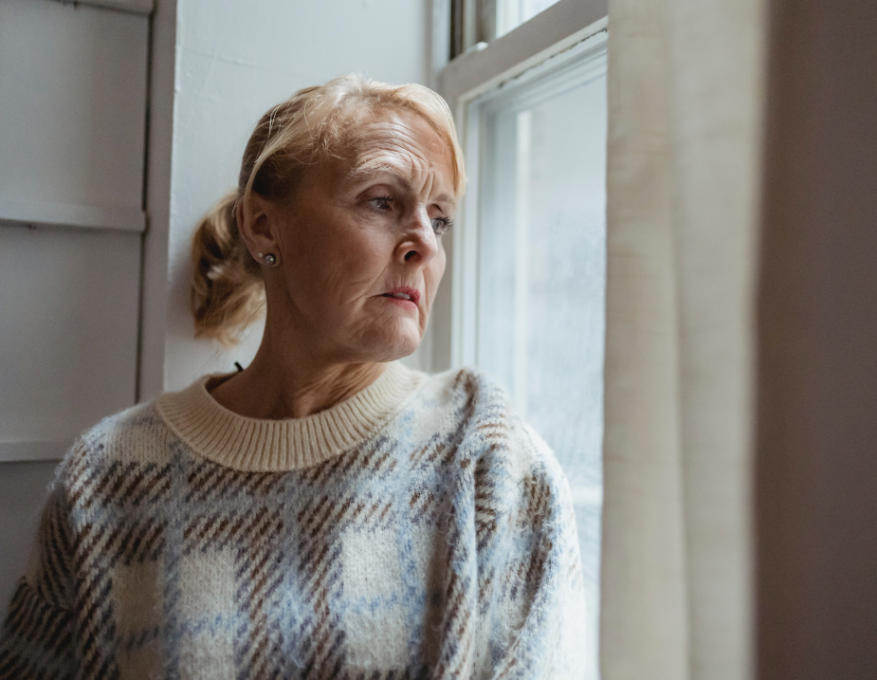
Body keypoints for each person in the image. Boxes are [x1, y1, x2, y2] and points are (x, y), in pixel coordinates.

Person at [0, 75, 585, 679]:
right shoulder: (109, 479)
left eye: (440, 219)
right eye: (383, 201)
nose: (424, 245)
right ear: (262, 227)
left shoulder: (489, 463)